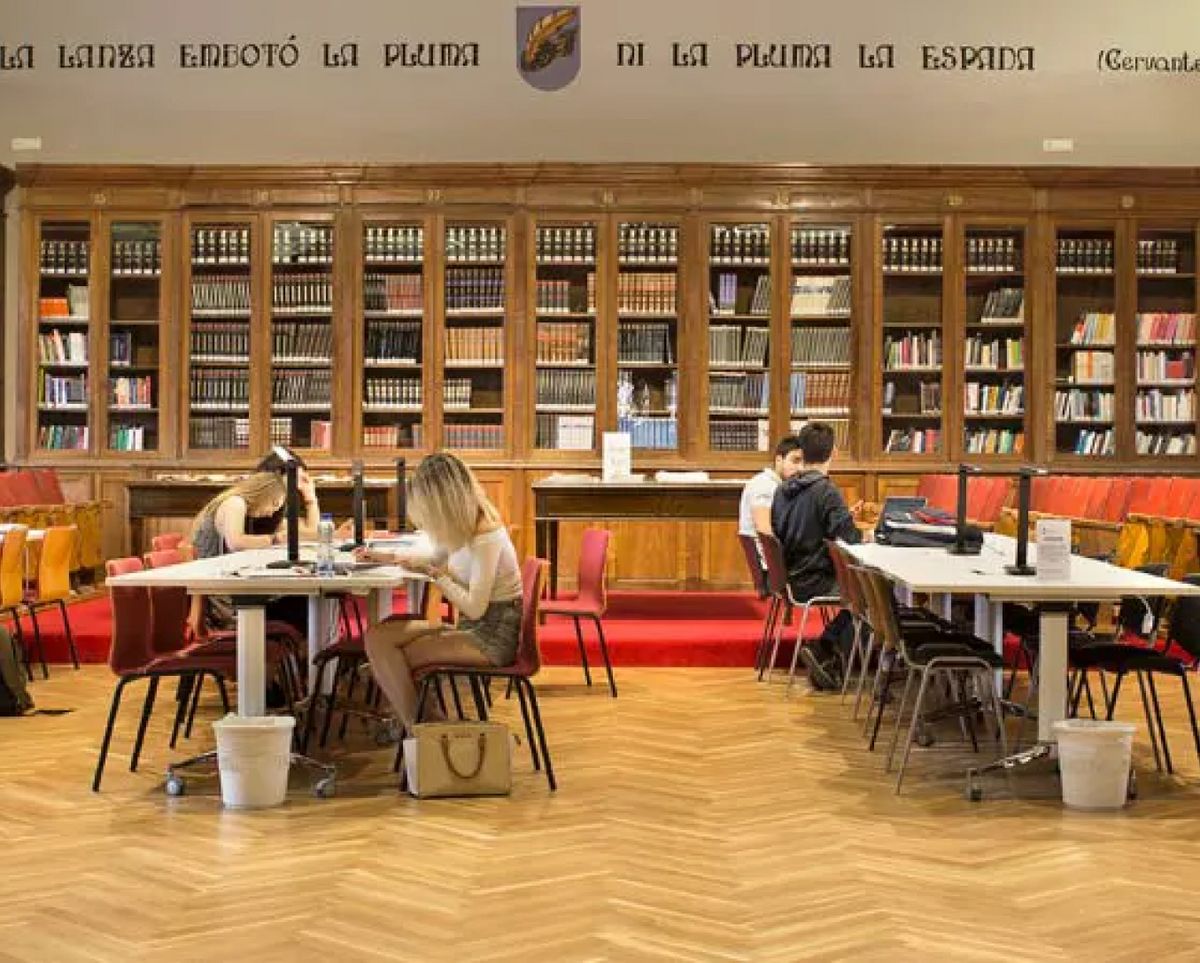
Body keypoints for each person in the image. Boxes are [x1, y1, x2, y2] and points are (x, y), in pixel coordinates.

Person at [356, 452, 523, 730]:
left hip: (491, 637)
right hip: (473, 627)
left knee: (390, 662)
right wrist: (383, 556)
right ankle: (425, 725)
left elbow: (474, 607)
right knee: (377, 639)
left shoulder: (486, 536)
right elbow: (433, 557)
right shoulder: (464, 526)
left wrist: (437, 576)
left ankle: (418, 730)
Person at [770, 422, 862, 691]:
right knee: (872, 595)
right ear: (833, 451)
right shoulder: (826, 491)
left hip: (792, 575)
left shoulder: (783, 490)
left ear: (802, 451)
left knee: (866, 592)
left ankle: (832, 659)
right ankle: (825, 647)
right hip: (816, 578)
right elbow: (850, 540)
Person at [188, 471, 289, 636]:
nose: (271, 513)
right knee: (304, 604)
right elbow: (235, 542)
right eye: (274, 504)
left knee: (301, 602)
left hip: (225, 595)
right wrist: (274, 540)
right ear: (264, 493)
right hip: (226, 605)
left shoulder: (237, 505)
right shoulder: (235, 503)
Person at [739, 435, 805, 539]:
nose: (800, 468)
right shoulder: (764, 485)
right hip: (766, 553)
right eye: (795, 461)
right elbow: (765, 531)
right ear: (779, 460)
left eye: (803, 463)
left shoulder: (777, 485)